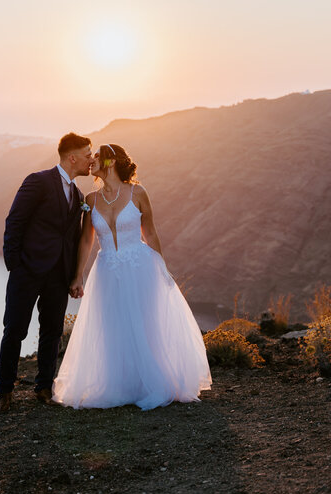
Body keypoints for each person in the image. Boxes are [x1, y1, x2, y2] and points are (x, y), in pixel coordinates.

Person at [53, 144, 212, 410]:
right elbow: (85, 242)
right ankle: (120, 384)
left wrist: (161, 267)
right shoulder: (91, 200)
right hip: (106, 270)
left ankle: (149, 382)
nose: (91, 160)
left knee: (145, 323)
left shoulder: (138, 192)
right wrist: (78, 276)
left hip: (140, 267)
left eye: (97, 157)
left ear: (111, 161)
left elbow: (150, 233)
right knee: (112, 326)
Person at [0, 132, 94, 413]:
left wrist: (74, 275)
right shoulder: (37, 181)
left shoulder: (78, 194)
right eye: (88, 154)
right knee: (14, 329)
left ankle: (44, 388)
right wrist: (15, 264)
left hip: (59, 275)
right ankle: (4, 391)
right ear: (72, 157)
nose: (91, 159)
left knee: (52, 332)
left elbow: (73, 238)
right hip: (27, 270)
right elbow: (15, 221)